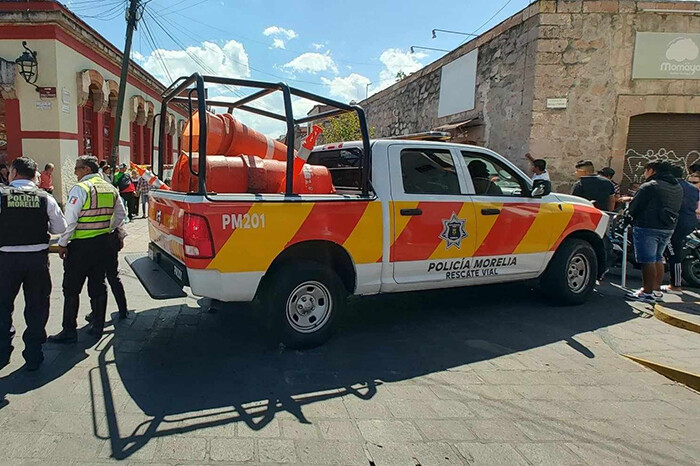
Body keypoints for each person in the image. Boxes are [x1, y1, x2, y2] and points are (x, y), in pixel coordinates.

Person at [48, 155, 126, 343]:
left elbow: (71, 221)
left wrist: (63, 244)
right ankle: (97, 326)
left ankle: (69, 331)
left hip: (80, 247)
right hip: (103, 244)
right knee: (98, 285)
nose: (75, 172)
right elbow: (120, 215)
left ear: (87, 170)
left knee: (71, 289)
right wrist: (107, 228)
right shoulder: (110, 188)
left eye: (78, 168)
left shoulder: (81, 188)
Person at [0, 157, 67, 371]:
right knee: (37, 306)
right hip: (37, 260)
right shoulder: (45, 198)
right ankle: (34, 355)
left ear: (14, 173)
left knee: (2, 307)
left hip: (6, 261)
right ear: (33, 174)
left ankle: (2, 352)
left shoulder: (1, 195)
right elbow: (59, 228)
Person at [625, 161, 683, 303]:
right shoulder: (677, 186)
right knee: (658, 258)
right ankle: (656, 290)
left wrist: (627, 218)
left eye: (645, 170)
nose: (644, 174)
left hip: (647, 226)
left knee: (647, 260)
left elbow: (635, 206)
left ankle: (647, 291)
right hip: (668, 227)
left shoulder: (650, 186)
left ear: (652, 170)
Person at [661, 165, 700, 294]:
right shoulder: (693, 189)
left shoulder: (672, 186)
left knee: (674, 253)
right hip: (689, 222)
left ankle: (675, 285)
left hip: (676, 223)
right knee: (673, 251)